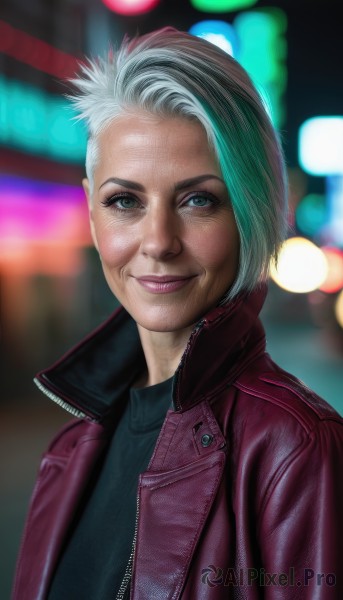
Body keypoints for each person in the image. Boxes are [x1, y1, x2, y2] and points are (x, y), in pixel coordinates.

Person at [12, 27, 342, 600]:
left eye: (198, 200)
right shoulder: (69, 450)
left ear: (251, 212)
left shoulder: (299, 448)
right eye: (125, 201)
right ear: (92, 212)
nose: (159, 242)